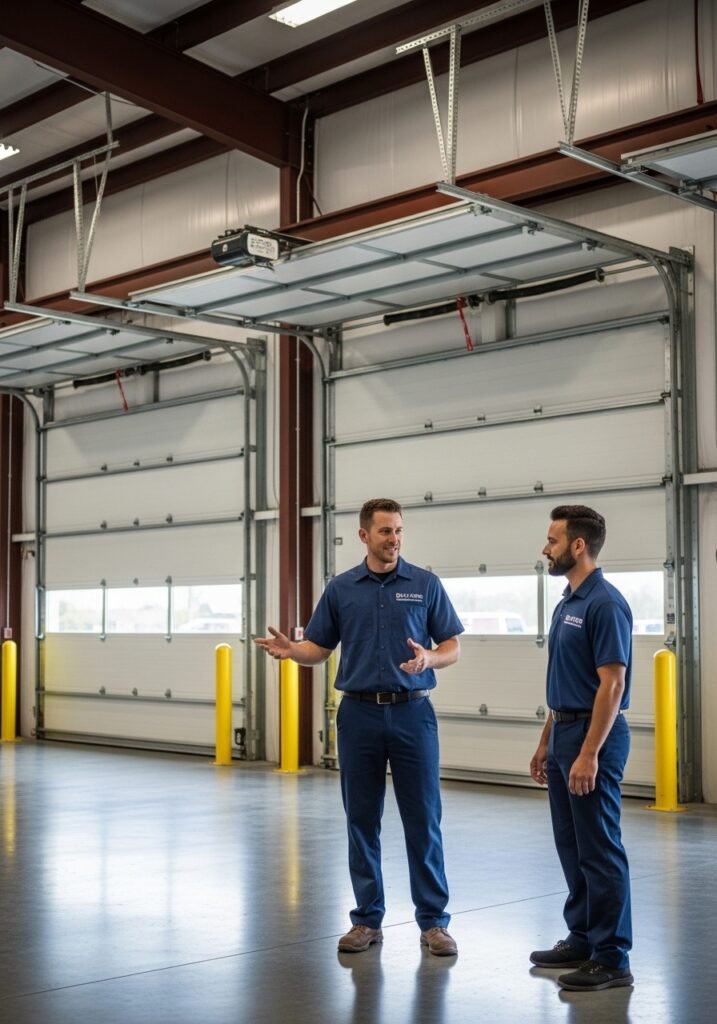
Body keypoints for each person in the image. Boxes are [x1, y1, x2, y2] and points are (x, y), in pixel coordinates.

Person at [255, 497, 463, 957]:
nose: (394, 539)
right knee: (362, 819)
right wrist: (294, 650)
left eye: (400, 531)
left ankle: (433, 923)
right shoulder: (342, 588)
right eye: (385, 531)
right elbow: (319, 648)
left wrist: (431, 657)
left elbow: (451, 645)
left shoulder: (425, 584)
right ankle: (367, 920)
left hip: (413, 713)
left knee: (423, 819)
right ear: (364, 535)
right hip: (360, 714)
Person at [529, 505, 634, 992]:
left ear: (577, 545)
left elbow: (611, 685)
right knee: (571, 846)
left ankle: (612, 956)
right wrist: (547, 742)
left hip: (596, 735)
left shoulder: (605, 604)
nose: (544, 549)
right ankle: (583, 936)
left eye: (552, 540)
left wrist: (589, 753)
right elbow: (565, 680)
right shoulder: (567, 602)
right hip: (565, 732)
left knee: (599, 848)